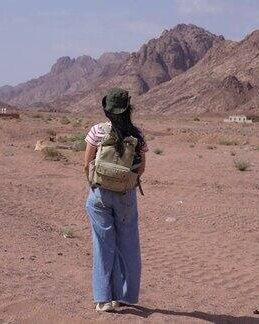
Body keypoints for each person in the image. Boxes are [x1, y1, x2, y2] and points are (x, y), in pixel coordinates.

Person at [84, 88, 148, 312]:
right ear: (128, 109)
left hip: (99, 195)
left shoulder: (97, 131)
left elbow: (87, 163)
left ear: (107, 110)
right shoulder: (137, 135)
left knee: (103, 245)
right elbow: (141, 168)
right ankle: (123, 296)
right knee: (127, 245)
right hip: (126, 196)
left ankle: (103, 299)